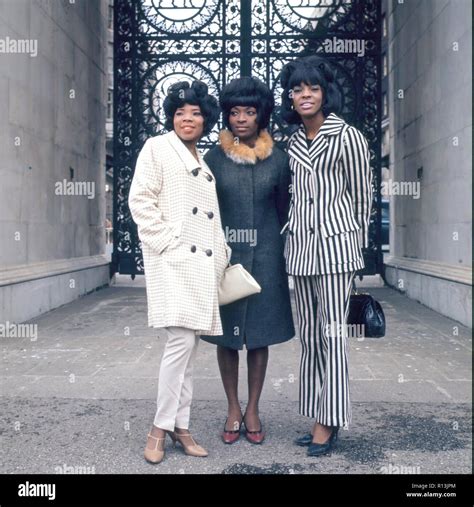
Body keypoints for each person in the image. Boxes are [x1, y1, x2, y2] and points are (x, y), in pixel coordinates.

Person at [128, 80, 230, 464]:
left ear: (206, 119)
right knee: (180, 345)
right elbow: (140, 199)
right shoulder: (157, 147)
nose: (188, 119)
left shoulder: (204, 165)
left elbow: (214, 221)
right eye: (180, 113)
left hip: (200, 267)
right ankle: (160, 426)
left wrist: (220, 256)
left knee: (189, 349)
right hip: (172, 262)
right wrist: (167, 243)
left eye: (196, 113)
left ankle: (179, 425)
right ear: (171, 117)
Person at [280, 56, 373, 456]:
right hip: (300, 250)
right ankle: (319, 411)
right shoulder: (292, 141)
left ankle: (328, 423)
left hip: (336, 250)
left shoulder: (348, 136)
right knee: (310, 339)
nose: (305, 94)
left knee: (333, 337)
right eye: (298, 88)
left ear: (324, 92)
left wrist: (357, 252)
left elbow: (363, 196)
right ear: (290, 96)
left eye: (312, 87)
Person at [201, 77, 295, 445]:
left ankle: (253, 407)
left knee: (259, 336)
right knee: (226, 337)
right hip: (224, 256)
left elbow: (285, 208)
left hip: (267, 257)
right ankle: (232, 408)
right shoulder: (212, 158)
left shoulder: (280, 159)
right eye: (235, 111)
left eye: (249, 111)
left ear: (261, 115)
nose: (241, 118)